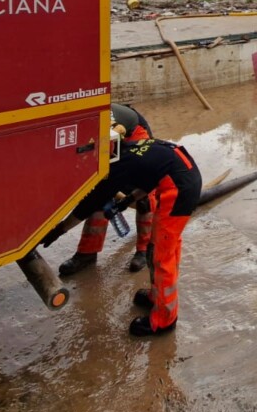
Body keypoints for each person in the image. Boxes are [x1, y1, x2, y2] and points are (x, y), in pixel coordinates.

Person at [55, 128, 202, 337]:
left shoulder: (118, 169)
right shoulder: (131, 151)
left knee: (160, 255)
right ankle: (156, 296)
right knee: (162, 248)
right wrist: (127, 200)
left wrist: (59, 230)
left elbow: (88, 205)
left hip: (180, 192)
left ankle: (164, 320)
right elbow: (151, 177)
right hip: (181, 178)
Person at [57, 103, 155, 277]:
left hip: (133, 135)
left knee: (144, 196)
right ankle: (87, 253)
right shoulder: (72, 125)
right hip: (107, 139)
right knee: (99, 196)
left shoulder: (107, 123)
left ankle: (143, 249)